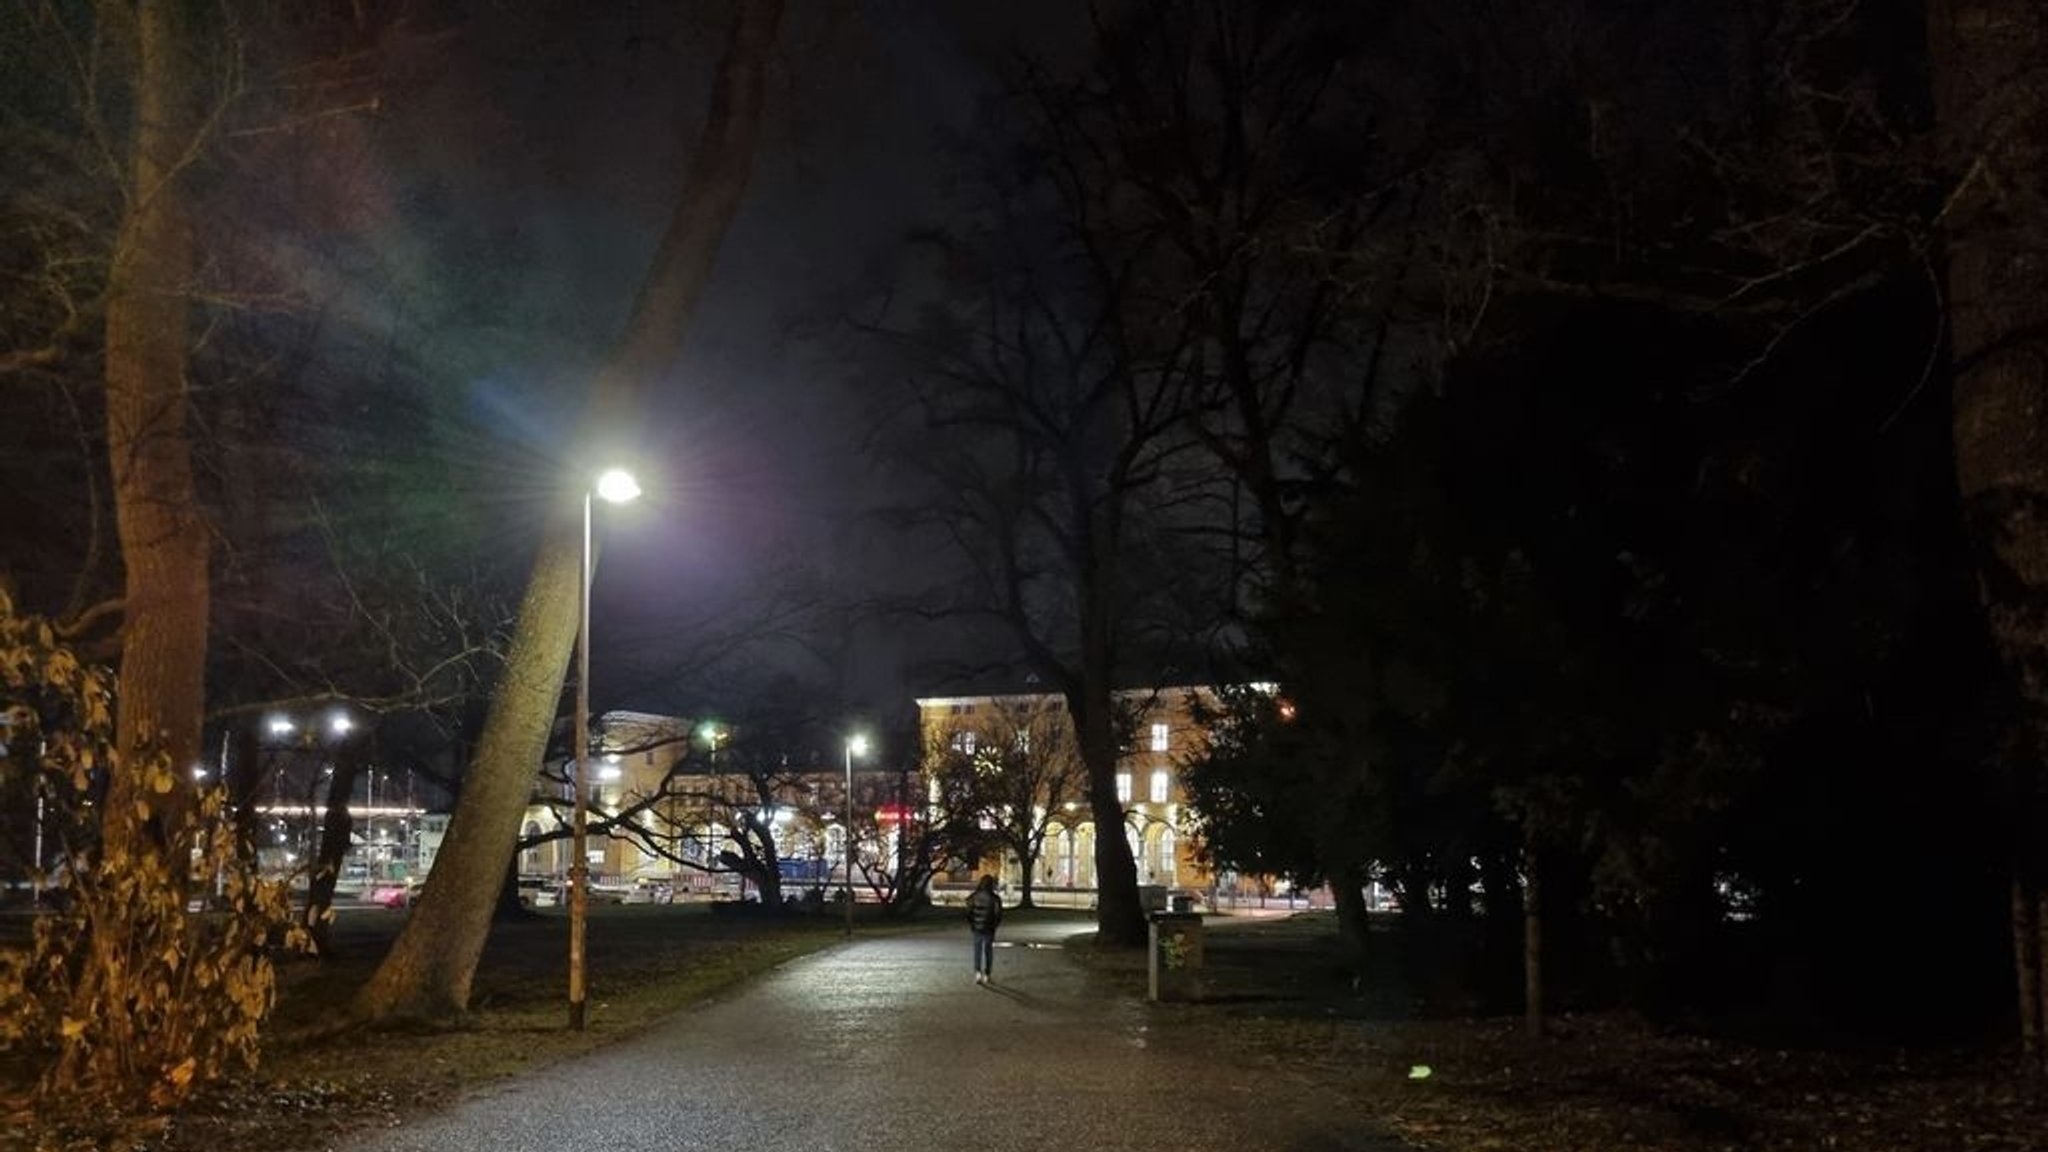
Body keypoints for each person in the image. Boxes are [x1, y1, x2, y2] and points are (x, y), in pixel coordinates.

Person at [966, 874, 1004, 985]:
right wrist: (994, 926)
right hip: (989, 928)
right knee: (988, 951)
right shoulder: (995, 899)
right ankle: (987, 974)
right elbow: (998, 915)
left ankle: (977, 972)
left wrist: (972, 924)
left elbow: (968, 912)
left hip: (977, 928)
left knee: (977, 950)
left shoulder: (973, 897)